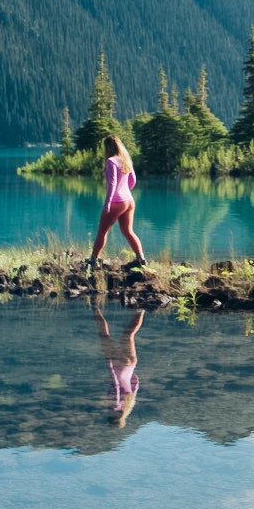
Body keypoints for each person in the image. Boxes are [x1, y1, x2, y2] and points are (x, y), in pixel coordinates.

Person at [87, 133, 146, 271]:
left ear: (108, 147)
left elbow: (112, 183)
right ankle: (141, 258)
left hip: (117, 201)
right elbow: (133, 181)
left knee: (102, 232)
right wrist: (125, 191)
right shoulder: (125, 160)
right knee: (128, 231)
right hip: (129, 200)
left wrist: (108, 203)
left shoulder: (111, 161)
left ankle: (92, 261)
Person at [93, 297, 144, 427]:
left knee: (129, 334)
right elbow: (116, 386)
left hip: (130, 365)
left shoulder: (128, 406)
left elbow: (135, 385)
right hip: (118, 365)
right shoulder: (115, 406)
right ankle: (94, 307)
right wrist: (111, 366)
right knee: (104, 335)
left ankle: (141, 309)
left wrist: (131, 371)